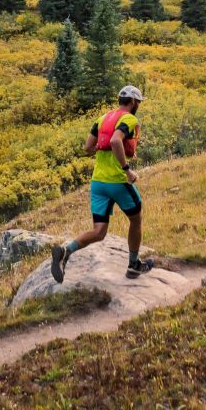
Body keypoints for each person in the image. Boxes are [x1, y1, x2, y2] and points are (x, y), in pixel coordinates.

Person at [50, 85, 155, 282]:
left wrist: (101, 148)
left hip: (98, 182)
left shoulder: (103, 118)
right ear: (132, 102)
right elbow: (116, 141)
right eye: (138, 102)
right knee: (136, 218)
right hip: (117, 181)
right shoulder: (129, 119)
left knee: (99, 231)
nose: (138, 105)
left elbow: (87, 147)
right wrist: (127, 169)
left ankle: (66, 251)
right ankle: (134, 265)